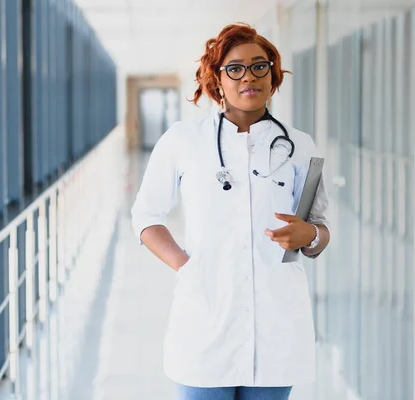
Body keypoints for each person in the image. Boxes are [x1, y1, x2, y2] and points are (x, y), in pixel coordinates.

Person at [130, 23, 331, 400]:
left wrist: (311, 236)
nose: (248, 77)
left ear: (273, 75)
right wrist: (184, 267)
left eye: (260, 66)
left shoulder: (301, 146)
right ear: (217, 80)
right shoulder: (182, 140)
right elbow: (146, 217)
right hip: (205, 316)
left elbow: (320, 226)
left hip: (277, 323)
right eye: (234, 68)